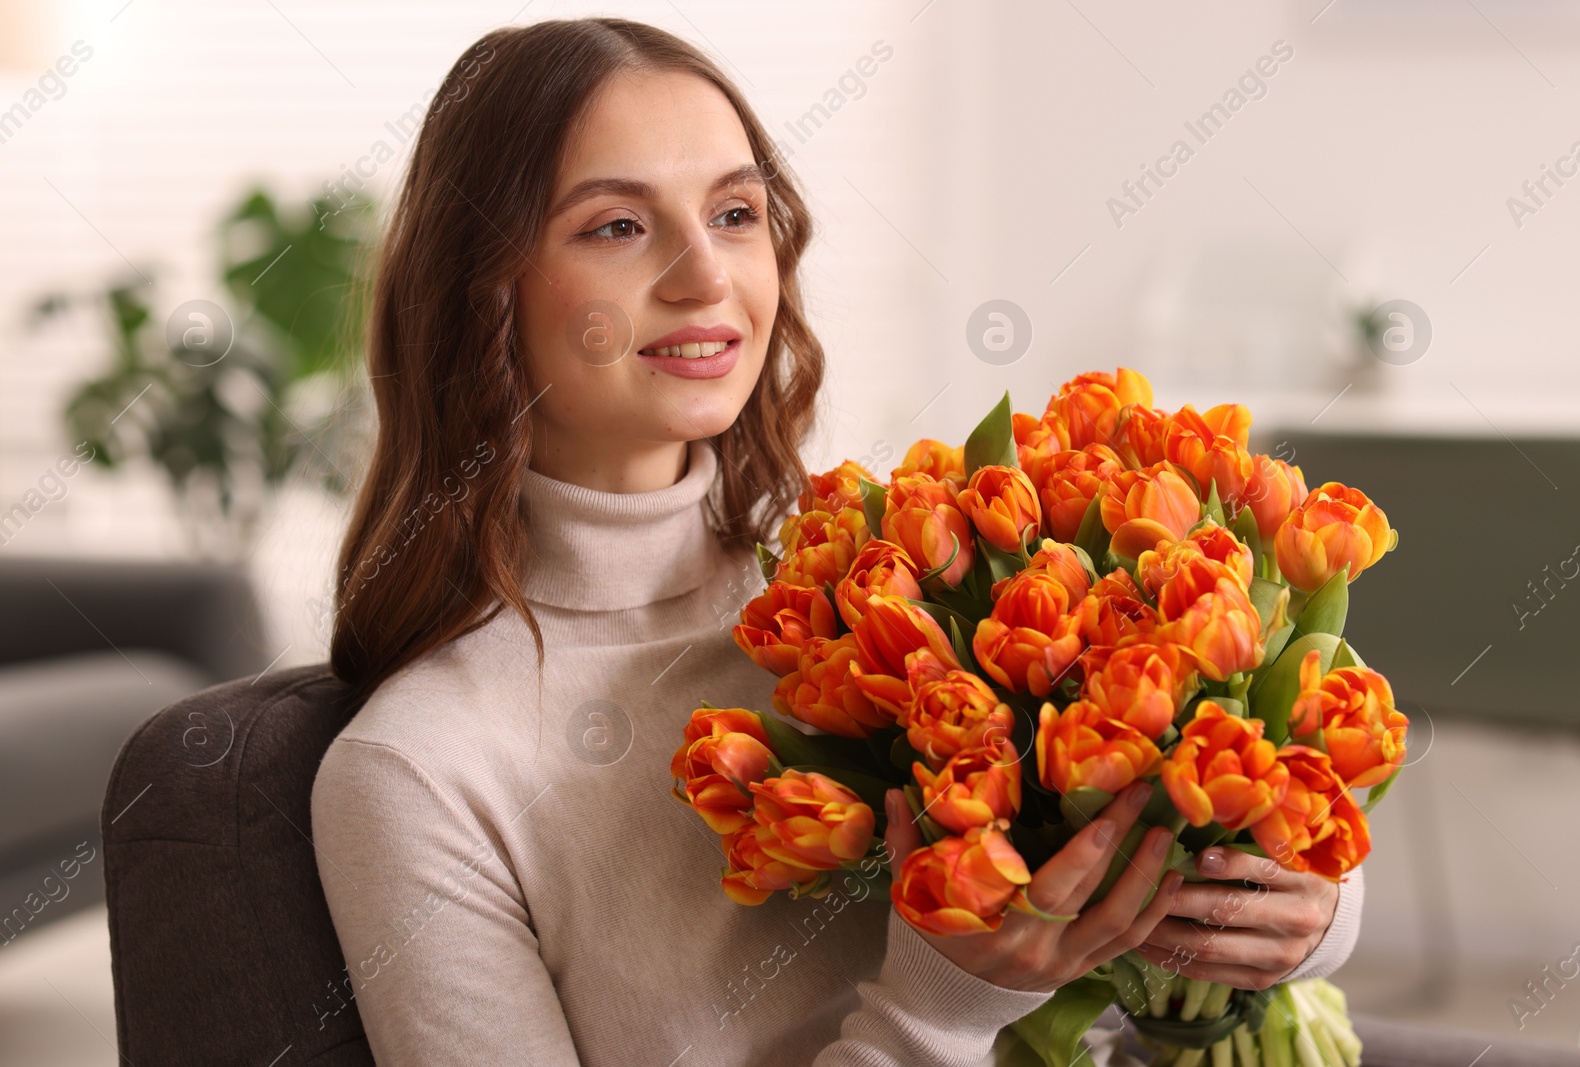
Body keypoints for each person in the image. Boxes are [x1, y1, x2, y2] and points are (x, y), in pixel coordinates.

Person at [310, 17, 1362, 1066]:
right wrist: (941, 1008)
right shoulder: (419, 769)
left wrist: (1300, 912)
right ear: (478, 290)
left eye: (733, 212)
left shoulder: (888, 588)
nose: (704, 275)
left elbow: (1136, 889)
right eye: (617, 227)